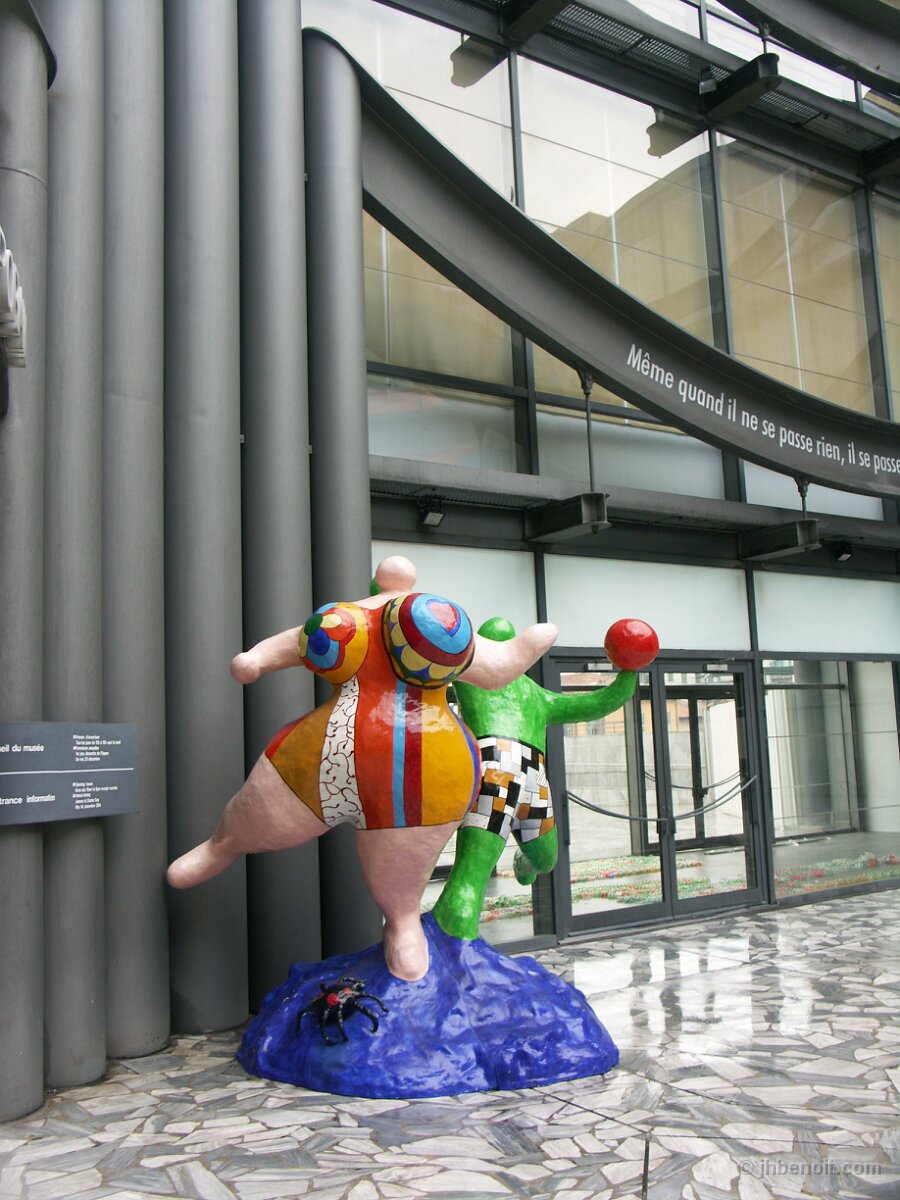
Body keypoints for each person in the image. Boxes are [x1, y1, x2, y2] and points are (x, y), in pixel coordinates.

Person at [167, 556, 557, 982]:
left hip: (415, 767)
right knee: (259, 814)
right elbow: (502, 664)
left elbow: (497, 667)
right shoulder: (349, 615)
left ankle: (403, 924)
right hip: (338, 756)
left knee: (397, 876)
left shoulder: (438, 620)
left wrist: (254, 660)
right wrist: (257, 658)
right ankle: (222, 845)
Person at [432, 615, 638, 940]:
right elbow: (596, 704)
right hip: (498, 766)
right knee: (474, 873)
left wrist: (628, 674)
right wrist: (629, 672)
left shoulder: (530, 693)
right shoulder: (474, 676)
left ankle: (517, 865)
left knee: (542, 858)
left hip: (520, 773)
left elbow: (595, 704)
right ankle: (453, 939)